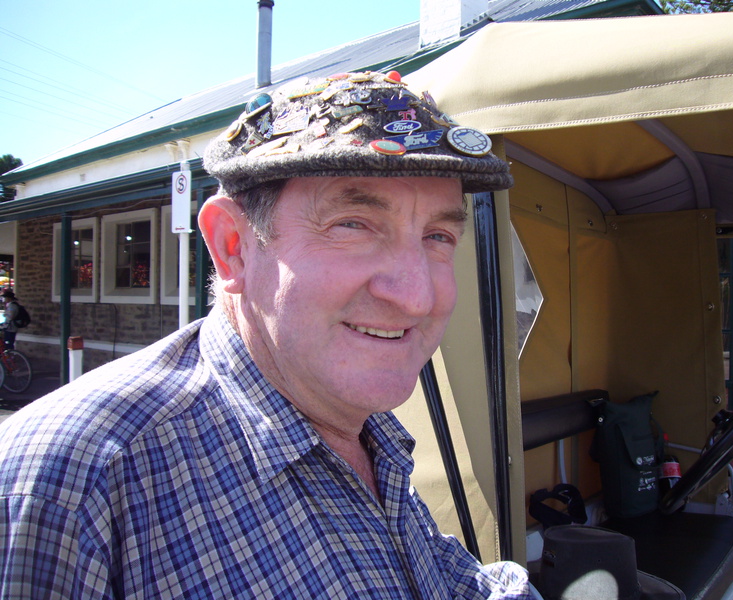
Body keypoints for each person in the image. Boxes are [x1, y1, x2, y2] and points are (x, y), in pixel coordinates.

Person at [0, 71, 539, 599]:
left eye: (438, 236)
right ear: (232, 246)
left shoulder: (365, 428)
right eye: (352, 224)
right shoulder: (76, 478)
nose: (417, 298)